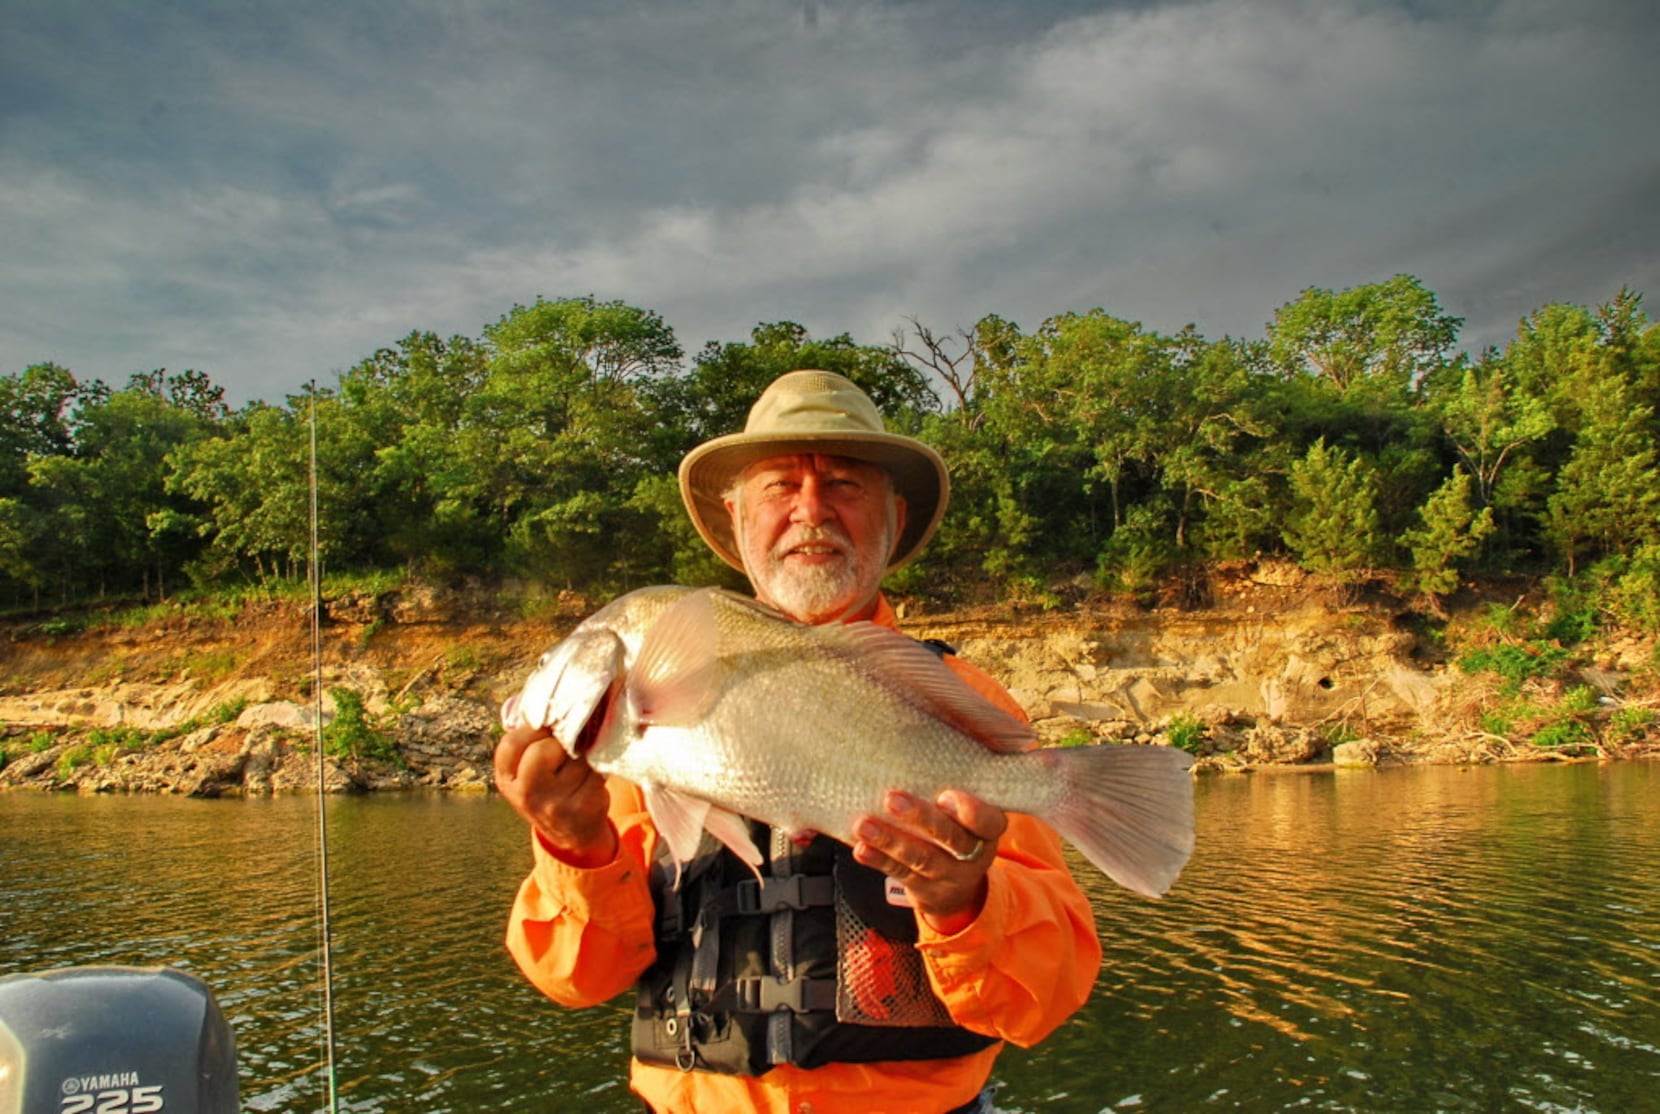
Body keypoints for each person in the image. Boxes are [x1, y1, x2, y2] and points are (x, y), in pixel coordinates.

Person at [494, 370, 1101, 1114]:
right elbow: (575, 978)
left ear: (893, 514)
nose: (811, 511)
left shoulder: (965, 702)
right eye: (780, 486)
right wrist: (574, 843)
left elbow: (1044, 998)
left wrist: (968, 901)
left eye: (844, 485)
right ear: (736, 514)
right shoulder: (631, 730)